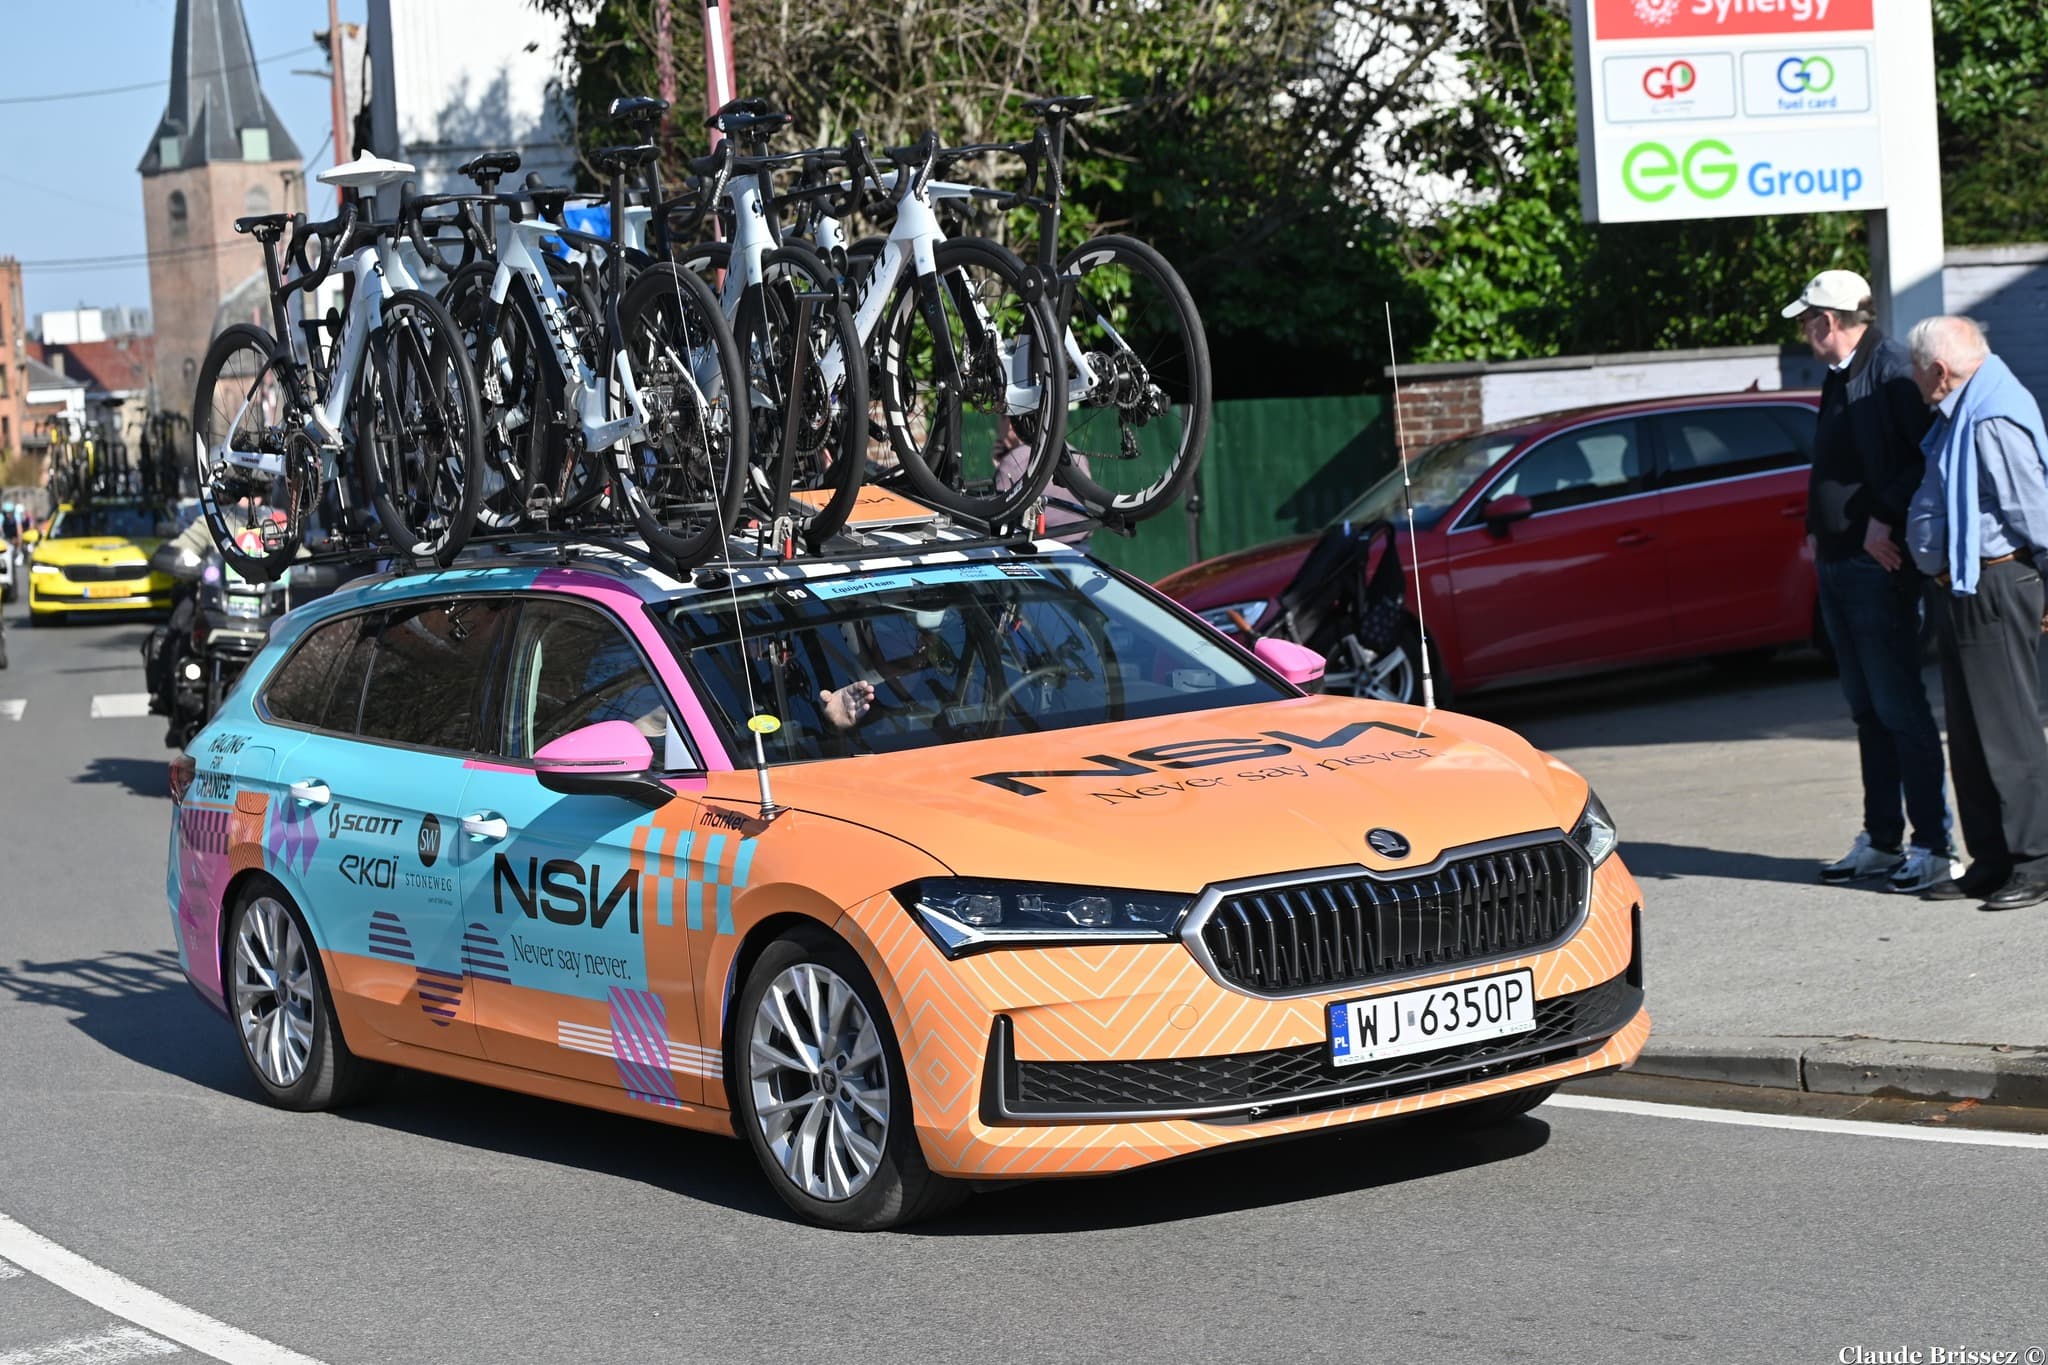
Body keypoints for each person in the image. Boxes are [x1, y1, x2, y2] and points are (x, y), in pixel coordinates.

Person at [1783, 269, 1954, 891]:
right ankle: (1882, 840)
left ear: (1829, 320)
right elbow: (1835, 463)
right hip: (1840, 563)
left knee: (1898, 708)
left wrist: (1883, 517)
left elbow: (1927, 458)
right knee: (1868, 711)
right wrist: (1816, 527)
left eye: (1808, 320)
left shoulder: (1891, 372)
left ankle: (1932, 846)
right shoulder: (1842, 375)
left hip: (1876, 568)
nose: (1805, 331)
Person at [1904, 316, 2048, 910]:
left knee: (2007, 730)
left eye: (1915, 371)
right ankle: (1991, 859)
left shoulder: (1990, 416)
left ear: (1938, 370)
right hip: (1964, 587)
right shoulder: (1962, 409)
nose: (1912, 381)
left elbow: (2034, 508)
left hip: (1996, 583)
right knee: (1969, 734)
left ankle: (2035, 860)